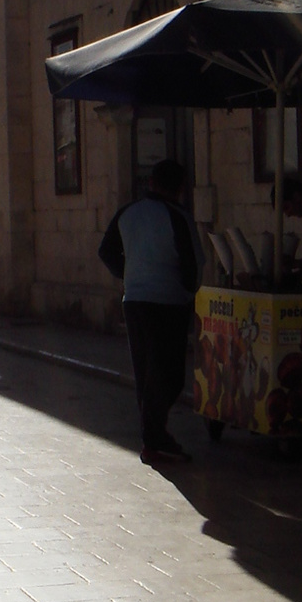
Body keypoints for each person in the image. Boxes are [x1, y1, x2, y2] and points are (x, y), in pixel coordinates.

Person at [99, 159, 204, 466]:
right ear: (180, 188)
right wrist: (187, 292)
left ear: (151, 183)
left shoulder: (127, 213)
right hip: (168, 302)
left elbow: (105, 251)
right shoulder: (178, 217)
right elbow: (193, 263)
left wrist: (129, 273)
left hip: (134, 301)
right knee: (170, 374)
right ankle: (154, 438)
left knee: (147, 371)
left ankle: (154, 437)